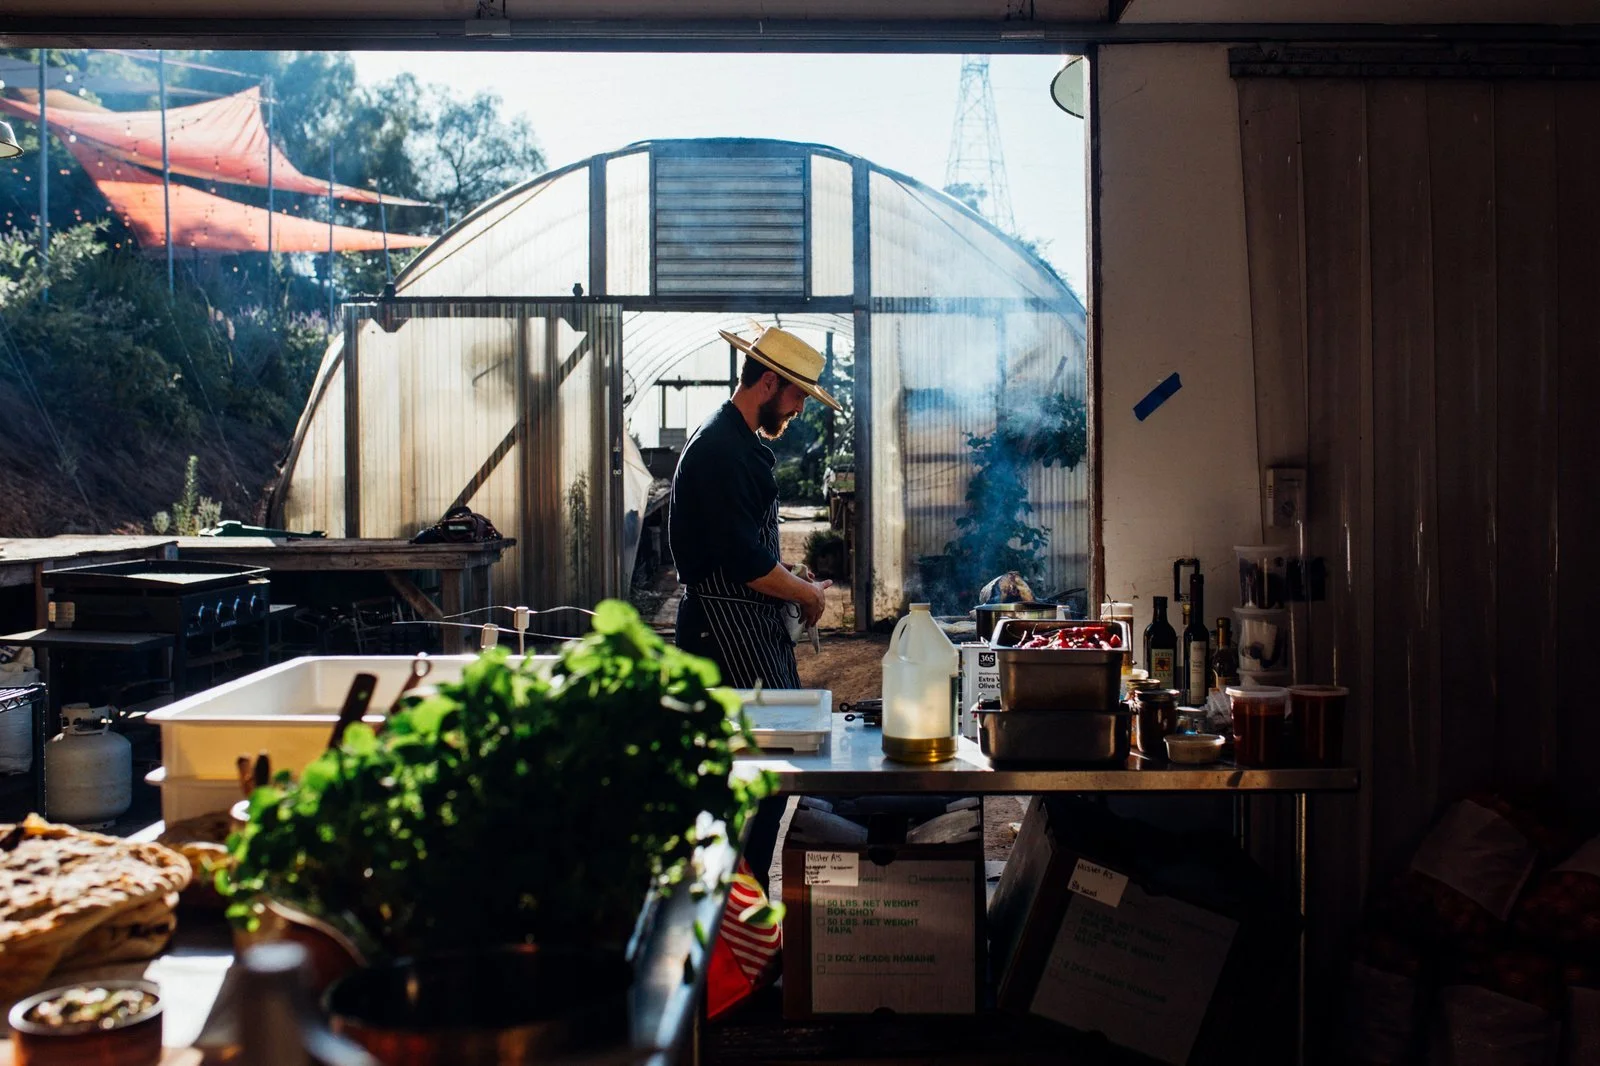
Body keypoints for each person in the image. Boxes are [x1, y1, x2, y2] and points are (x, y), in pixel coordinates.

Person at [669, 324, 841, 689]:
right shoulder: (720, 450)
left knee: (776, 730)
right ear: (767, 383)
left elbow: (735, 538)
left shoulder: (735, 439)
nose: (799, 408)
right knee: (759, 738)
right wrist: (804, 592)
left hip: (746, 624)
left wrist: (789, 573)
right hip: (722, 631)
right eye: (798, 395)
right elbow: (743, 560)